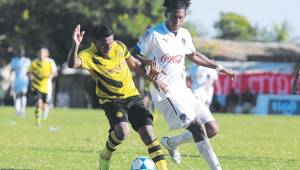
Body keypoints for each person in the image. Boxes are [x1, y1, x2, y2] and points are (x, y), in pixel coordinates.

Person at [132, 0, 236, 169]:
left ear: (185, 16)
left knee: (211, 128)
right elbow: (132, 55)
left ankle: (171, 143)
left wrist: (220, 68)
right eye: (173, 17)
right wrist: (148, 62)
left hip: (183, 91)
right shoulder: (153, 34)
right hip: (164, 93)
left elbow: (193, 55)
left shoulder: (185, 34)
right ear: (166, 15)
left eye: (180, 18)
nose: (177, 22)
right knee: (197, 128)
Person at [67, 24, 167, 170]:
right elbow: (72, 64)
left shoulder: (119, 46)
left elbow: (134, 64)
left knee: (148, 134)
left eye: (110, 42)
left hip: (133, 97)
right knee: (122, 131)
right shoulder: (88, 55)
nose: (109, 47)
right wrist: (75, 45)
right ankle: (105, 154)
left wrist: (154, 79)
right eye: (104, 45)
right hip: (111, 101)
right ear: (95, 43)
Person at [28, 47, 57, 127]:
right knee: (38, 103)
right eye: (40, 52)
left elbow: (54, 72)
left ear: (47, 54)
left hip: (46, 86)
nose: (41, 54)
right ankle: (37, 122)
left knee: (44, 105)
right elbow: (29, 72)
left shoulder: (50, 62)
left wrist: (50, 76)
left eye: (43, 53)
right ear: (38, 54)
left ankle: (45, 111)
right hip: (36, 85)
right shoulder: (34, 62)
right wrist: (30, 76)